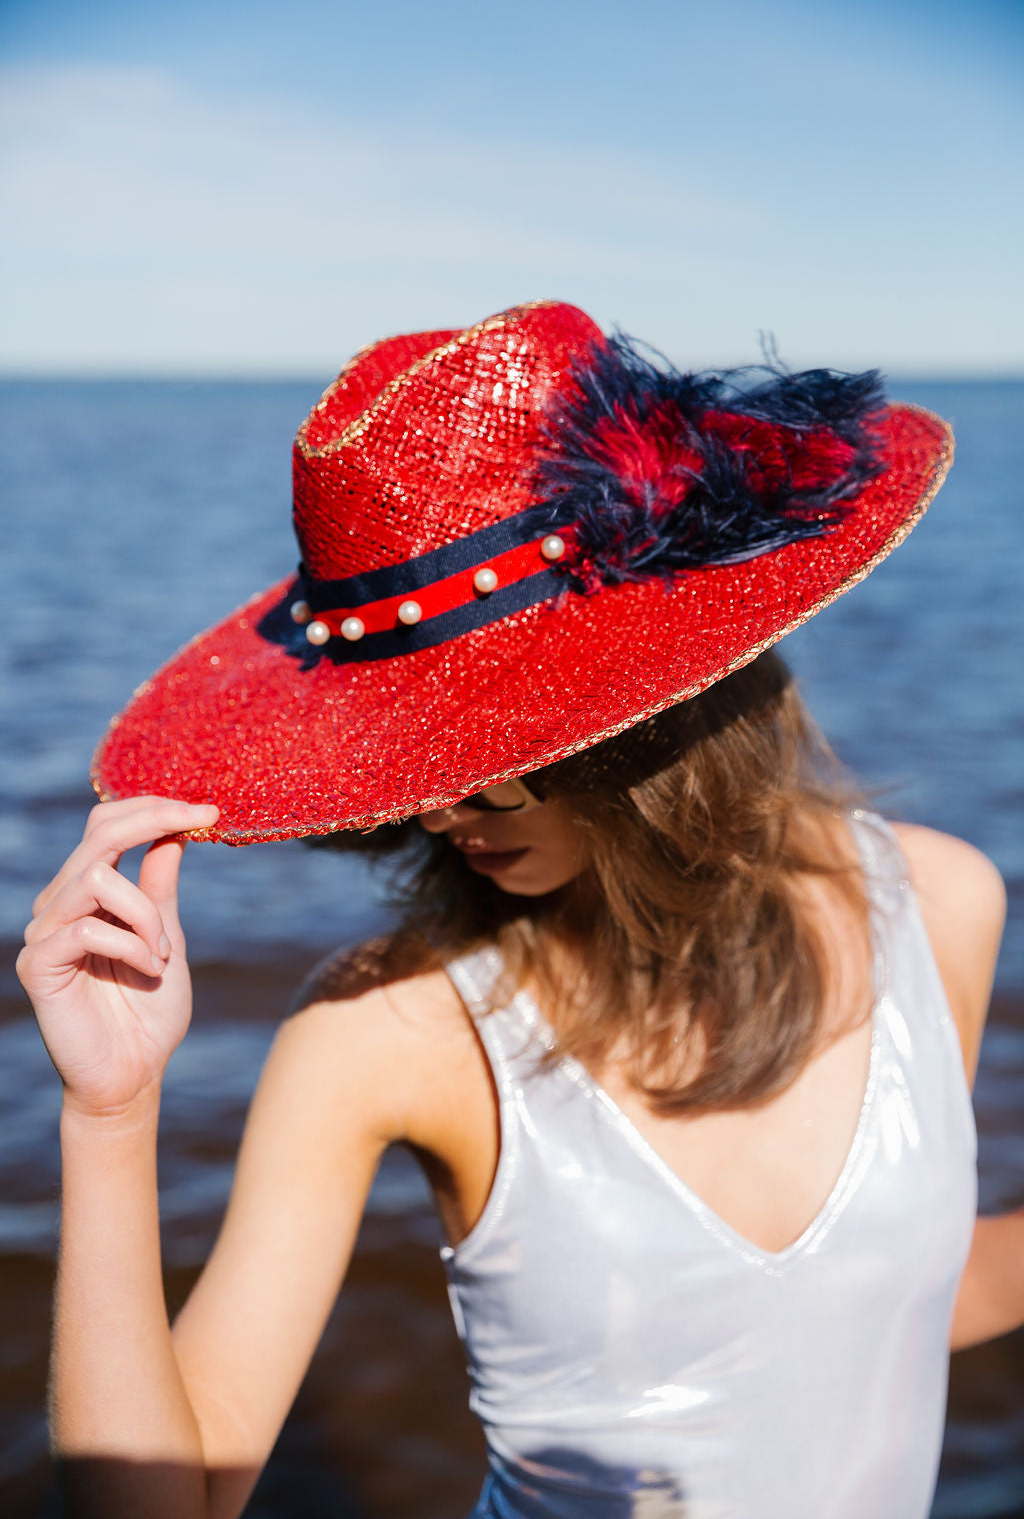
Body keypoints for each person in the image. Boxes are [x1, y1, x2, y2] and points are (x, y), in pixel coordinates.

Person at [17, 301, 1014, 1519]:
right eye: (412, 757)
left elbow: (915, 1300)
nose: (438, 810)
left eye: (491, 745)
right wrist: (109, 1120)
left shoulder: (941, 903)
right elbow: (172, 1500)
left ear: (667, 711)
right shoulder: (384, 1031)